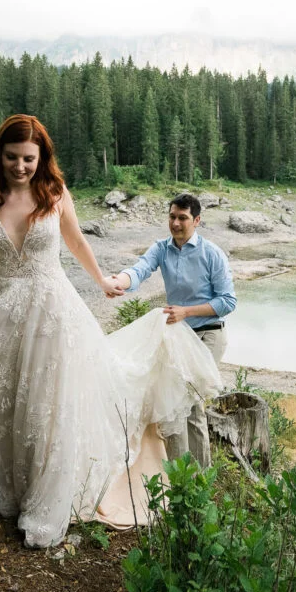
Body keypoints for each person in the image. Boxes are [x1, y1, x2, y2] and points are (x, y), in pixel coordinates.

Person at [0, 115, 222, 549]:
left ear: (42, 158)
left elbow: (76, 243)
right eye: (13, 157)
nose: (21, 167)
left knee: (49, 404)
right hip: (3, 308)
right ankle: (15, 488)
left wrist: (104, 282)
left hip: (54, 311)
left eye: (29, 159)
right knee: (8, 398)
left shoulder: (53, 193)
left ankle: (46, 497)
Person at [107, 193, 236, 468]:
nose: (175, 223)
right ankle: (180, 479)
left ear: (197, 220)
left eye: (183, 218)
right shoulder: (161, 248)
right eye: (172, 217)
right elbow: (140, 269)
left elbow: (227, 302)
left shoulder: (212, 254)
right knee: (172, 405)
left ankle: (200, 480)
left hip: (208, 333)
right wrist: (118, 280)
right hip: (177, 336)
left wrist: (186, 312)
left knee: (187, 403)